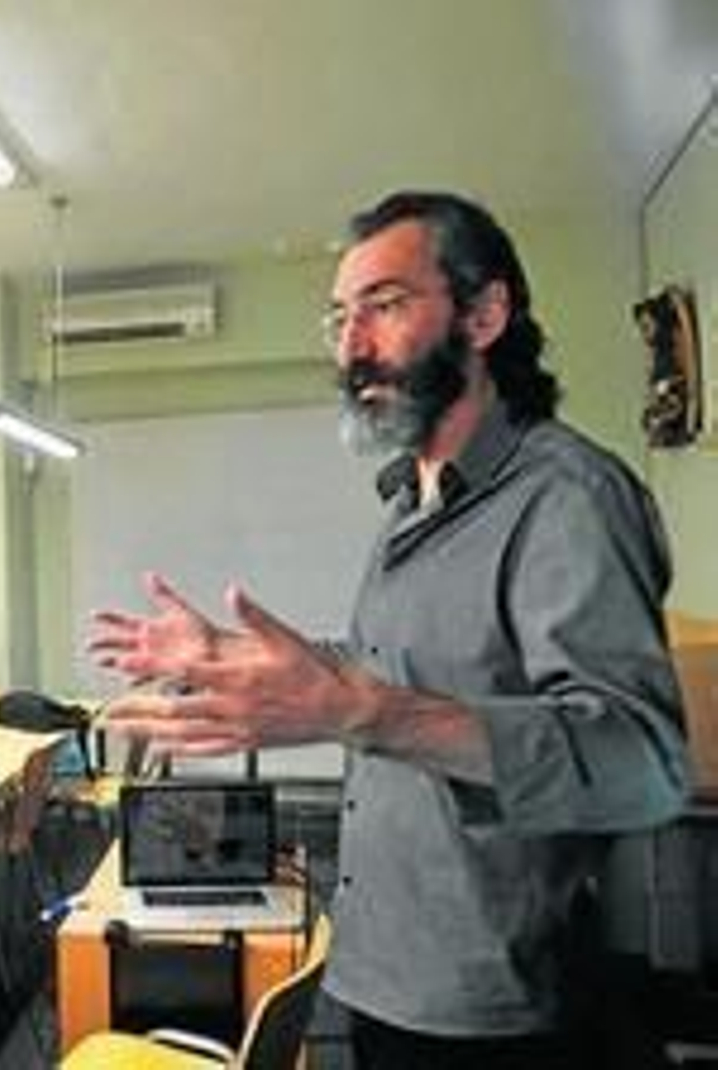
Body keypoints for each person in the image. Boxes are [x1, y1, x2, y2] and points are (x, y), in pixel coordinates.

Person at [89, 191, 690, 1069]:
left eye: (385, 306)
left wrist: (363, 714)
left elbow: (642, 762)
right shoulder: (413, 499)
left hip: (494, 1016)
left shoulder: (566, 499)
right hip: (386, 973)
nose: (350, 346)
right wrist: (226, 657)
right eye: (339, 317)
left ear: (484, 315)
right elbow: (382, 674)